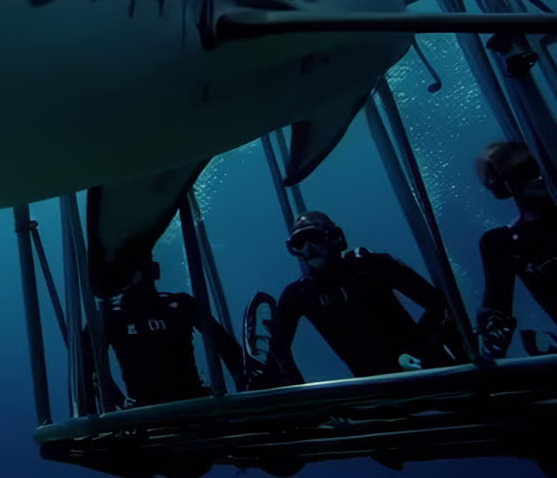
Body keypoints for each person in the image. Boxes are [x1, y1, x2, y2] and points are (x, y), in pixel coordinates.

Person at [269, 211, 464, 380]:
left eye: (314, 237)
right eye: (299, 242)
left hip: (424, 368)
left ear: (335, 237)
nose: (308, 248)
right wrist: (292, 382)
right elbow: (277, 347)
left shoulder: (370, 266)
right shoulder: (299, 294)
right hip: (374, 389)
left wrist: (419, 351)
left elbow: (437, 302)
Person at [102, 255, 246, 407]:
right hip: (177, 408)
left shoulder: (182, 304)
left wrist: (121, 402)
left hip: (175, 408)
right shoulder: (110, 317)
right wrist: (120, 401)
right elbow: (227, 347)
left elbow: (226, 346)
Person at [474, 141, 557, 357]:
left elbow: (496, 305)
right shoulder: (503, 242)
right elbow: (496, 305)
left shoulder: (504, 242)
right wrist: (493, 324)